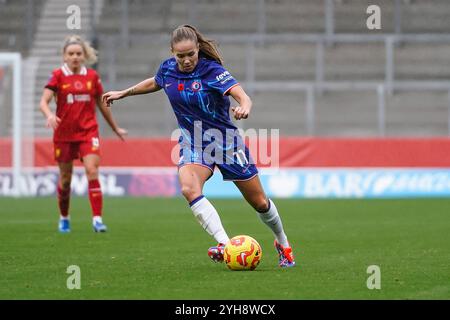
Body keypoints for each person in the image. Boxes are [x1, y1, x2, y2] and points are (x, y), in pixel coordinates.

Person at [102, 25, 295, 267]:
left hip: (226, 143)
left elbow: (242, 95)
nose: (186, 60)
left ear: (198, 50)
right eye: (180, 56)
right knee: (189, 188)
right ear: (173, 53)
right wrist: (125, 92)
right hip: (193, 141)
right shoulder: (168, 69)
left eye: (190, 54)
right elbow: (156, 82)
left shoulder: (212, 71)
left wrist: (244, 106)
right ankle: (225, 245)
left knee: (260, 203)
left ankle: (283, 244)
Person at [39, 35, 127, 233]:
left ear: (84, 55)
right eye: (71, 54)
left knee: (92, 171)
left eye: (78, 53)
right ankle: (64, 217)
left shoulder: (92, 77)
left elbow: (102, 105)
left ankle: (97, 219)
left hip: (88, 132)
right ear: (64, 56)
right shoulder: (57, 75)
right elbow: (43, 102)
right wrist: (49, 114)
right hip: (63, 135)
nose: (75, 57)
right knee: (65, 179)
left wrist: (115, 128)